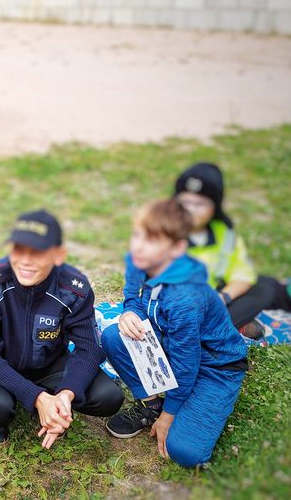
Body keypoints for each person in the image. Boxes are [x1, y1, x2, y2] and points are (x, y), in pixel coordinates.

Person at [102, 199, 249, 467]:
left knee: (184, 452)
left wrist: (171, 415)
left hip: (215, 366)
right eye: (137, 235)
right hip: (175, 347)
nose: (139, 246)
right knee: (114, 336)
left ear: (177, 248)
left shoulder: (185, 298)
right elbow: (132, 296)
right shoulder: (139, 259)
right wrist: (129, 312)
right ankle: (151, 405)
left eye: (153, 240)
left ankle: (184, 404)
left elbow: (187, 364)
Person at [0, 210, 124, 447]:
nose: (25, 261)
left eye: (38, 252)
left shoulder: (74, 289)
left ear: (59, 255)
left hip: (48, 364)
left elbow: (89, 348)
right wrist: (38, 398)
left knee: (109, 397)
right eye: (18, 250)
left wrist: (67, 393)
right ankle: (9, 410)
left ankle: (54, 405)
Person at [174, 162, 291, 338]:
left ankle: (226, 325)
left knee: (265, 287)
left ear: (214, 207)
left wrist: (223, 297)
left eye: (200, 204)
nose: (191, 210)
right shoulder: (166, 231)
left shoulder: (222, 231)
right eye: (185, 201)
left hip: (213, 295)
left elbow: (243, 273)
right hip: (181, 304)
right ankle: (222, 329)